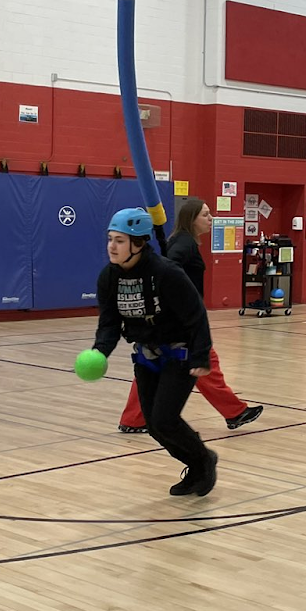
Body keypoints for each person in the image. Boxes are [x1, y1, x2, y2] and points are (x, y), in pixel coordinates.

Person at [93, 208, 218, 497]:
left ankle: (203, 461)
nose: (112, 246)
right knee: (153, 425)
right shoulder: (109, 277)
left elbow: (196, 315)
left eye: (120, 241)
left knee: (165, 419)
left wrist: (200, 357)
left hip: (180, 354)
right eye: (110, 239)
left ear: (138, 243)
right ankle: (196, 464)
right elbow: (109, 322)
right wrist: (100, 351)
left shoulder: (166, 273)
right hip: (146, 356)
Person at [119, 197, 263, 435]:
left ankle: (133, 420)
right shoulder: (184, 243)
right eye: (205, 214)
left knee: (153, 365)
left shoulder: (181, 240)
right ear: (191, 219)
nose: (211, 218)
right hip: (182, 320)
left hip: (173, 318)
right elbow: (169, 266)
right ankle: (235, 412)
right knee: (204, 361)